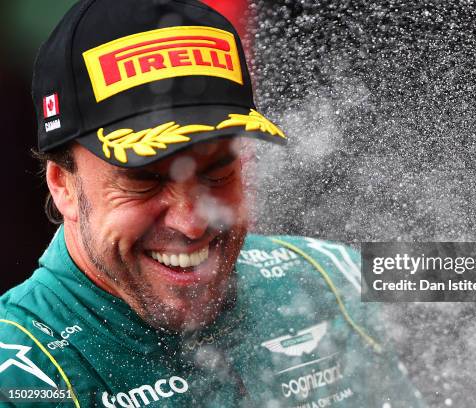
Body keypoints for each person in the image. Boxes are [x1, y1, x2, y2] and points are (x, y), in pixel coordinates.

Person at [0, 1, 425, 407]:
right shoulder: (18, 373)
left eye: (217, 172)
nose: (191, 223)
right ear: (63, 184)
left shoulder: (328, 273)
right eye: (144, 180)